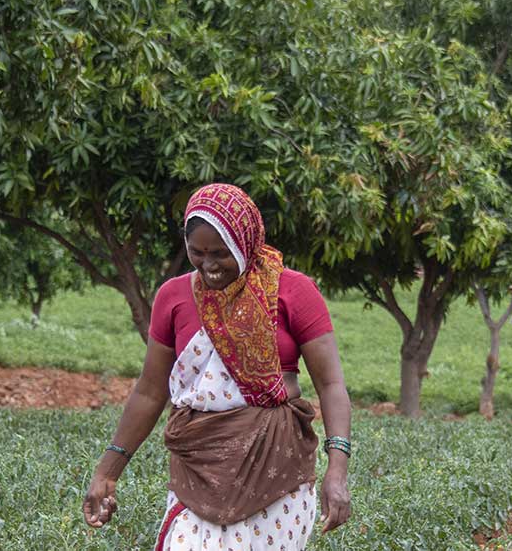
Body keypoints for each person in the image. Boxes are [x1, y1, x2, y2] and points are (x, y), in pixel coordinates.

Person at [82, 183, 353, 550]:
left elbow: (332, 384)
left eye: (220, 254)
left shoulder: (294, 291)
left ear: (246, 242)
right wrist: (107, 471)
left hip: (275, 470)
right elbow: (149, 391)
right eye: (197, 253)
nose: (208, 265)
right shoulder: (173, 297)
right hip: (197, 468)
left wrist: (337, 470)